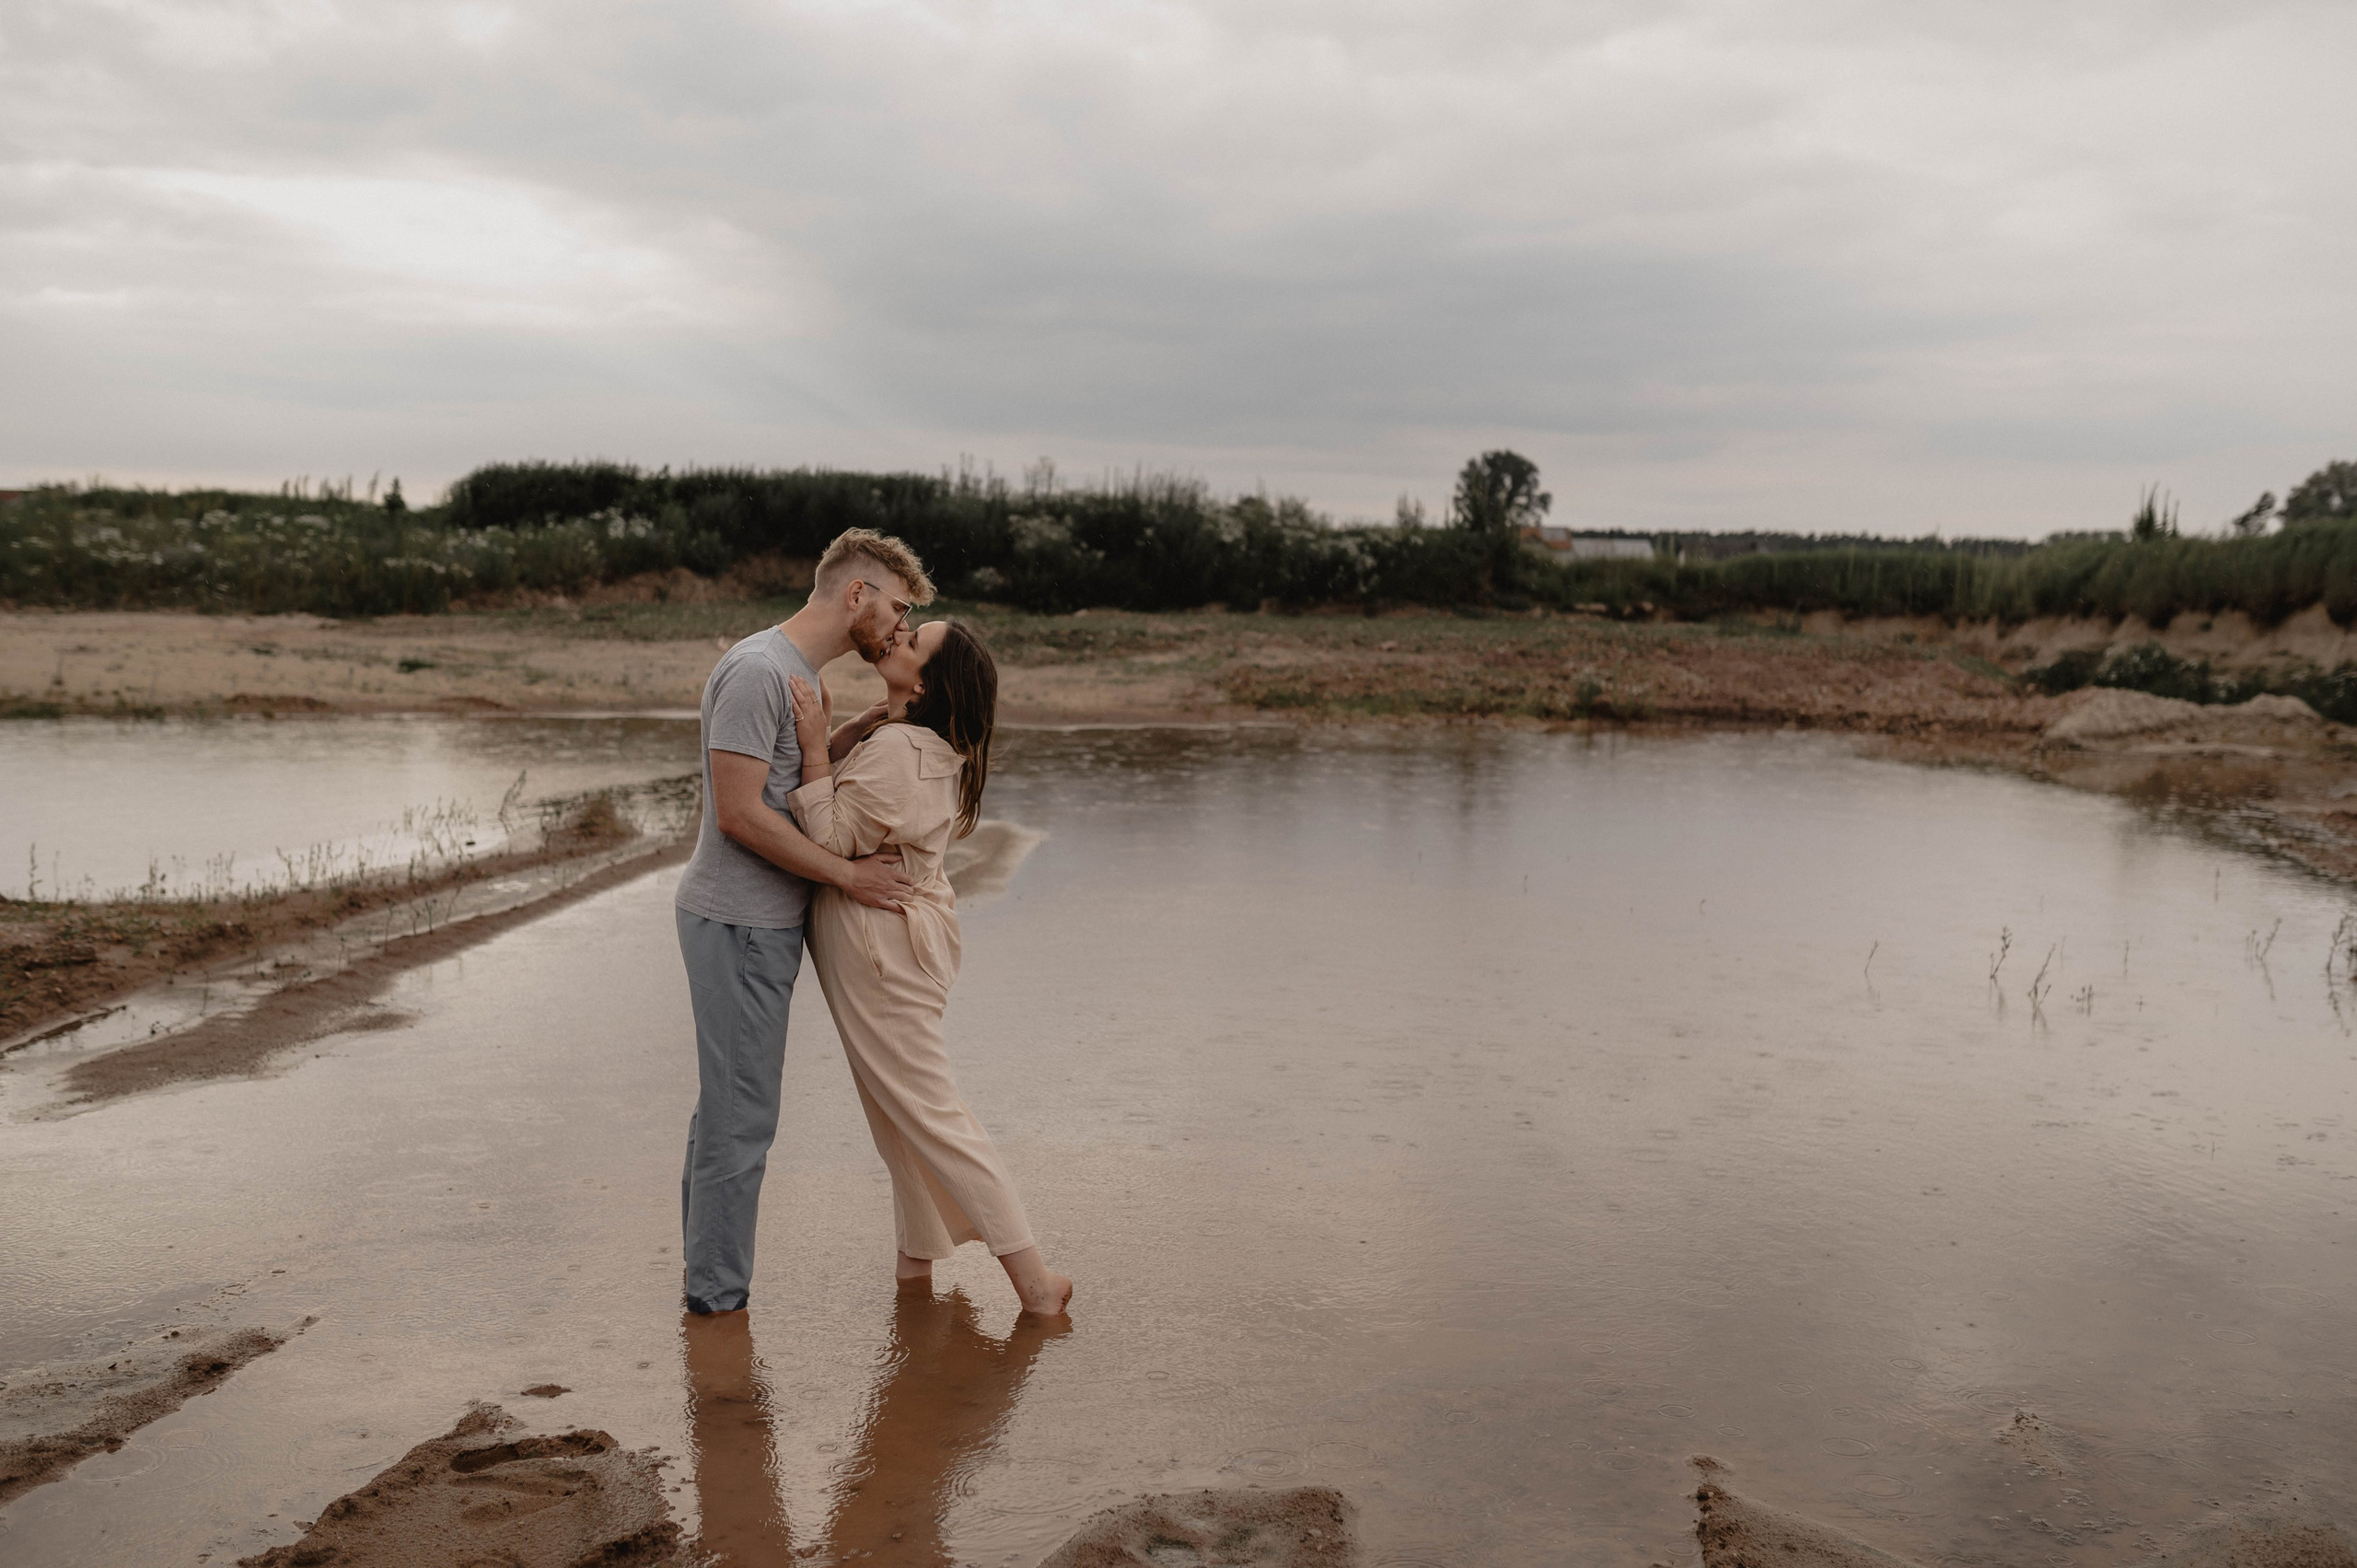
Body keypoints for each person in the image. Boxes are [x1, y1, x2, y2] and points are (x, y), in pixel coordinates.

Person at [673, 528, 931, 1317]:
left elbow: (783, 782)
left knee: (726, 1110)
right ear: (856, 594)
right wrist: (851, 876)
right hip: (741, 923)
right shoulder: (759, 671)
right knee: (741, 1119)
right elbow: (741, 816)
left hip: (755, 925)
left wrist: (844, 734)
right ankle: (717, 1309)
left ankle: (707, 1293)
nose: (897, 627)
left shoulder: (792, 671)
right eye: (894, 607)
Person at [785, 616, 1073, 1316]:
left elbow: (828, 834)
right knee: (900, 1116)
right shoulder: (912, 741)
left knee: (930, 1112)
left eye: (913, 643)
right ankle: (915, 1268)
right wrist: (851, 730)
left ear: (926, 682)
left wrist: (812, 748)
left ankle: (1035, 1281)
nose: (898, 636)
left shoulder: (903, 751)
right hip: (888, 944)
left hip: (883, 949)